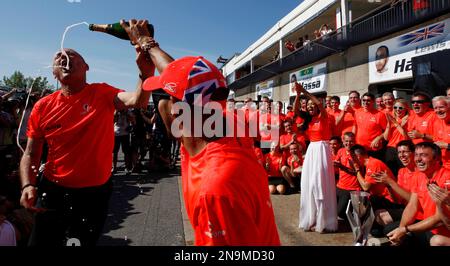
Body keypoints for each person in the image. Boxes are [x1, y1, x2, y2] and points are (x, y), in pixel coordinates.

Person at [19, 19, 154, 246]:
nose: (64, 58)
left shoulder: (102, 93)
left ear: (86, 67)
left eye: (72, 55)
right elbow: (31, 153)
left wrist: (145, 74)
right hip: (52, 189)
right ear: (53, 73)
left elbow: (137, 101)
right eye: (59, 58)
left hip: (94, 193)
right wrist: (28, 184)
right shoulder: (42, 106)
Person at [139, 30, 280, 246]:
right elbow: (184, 78)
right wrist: (147, 44)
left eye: (162, 97)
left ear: (177, 112)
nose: (159, 104)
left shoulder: (214, 191)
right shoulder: (231, 125)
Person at [293, 82, 337, 233]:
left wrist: (304, 90)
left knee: (320, 185)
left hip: (322, 151)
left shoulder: (325, 116)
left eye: (313, 105)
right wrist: (298, 95)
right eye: (309, 105)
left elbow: (318, 101)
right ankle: (311, 218)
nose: (311, 106)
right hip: (312, 151)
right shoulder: (308, 120)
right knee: (308, 185)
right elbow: (295, 110)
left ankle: (323, 220)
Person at [387, 142, 450, 246]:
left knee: (436, 241)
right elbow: (412, 206)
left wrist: (405, 229)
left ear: (437, 159)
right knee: (391, 232)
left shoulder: (447, 178)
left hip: (443, 234)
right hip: (429, 229)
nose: (418, 159)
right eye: (416, 155)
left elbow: (440, 219)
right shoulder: (419, 175)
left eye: (424, 155)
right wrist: (401, 230)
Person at [333, 132, 361, 220]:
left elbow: (357, 172)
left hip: (351, 188)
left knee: (339, 213)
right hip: (339, 186)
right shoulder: (341, 151)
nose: (348, 143)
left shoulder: (357, 153)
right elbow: (336, 164)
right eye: (346, 141)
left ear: (355, 141)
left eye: (351, 141)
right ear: (342, 140)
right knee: (332, 210)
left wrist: (341, 166)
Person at [382, 98, 410, 176]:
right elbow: (386, 138)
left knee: (403, 172)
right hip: (391, 148)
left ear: (406, 108)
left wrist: (395, 123)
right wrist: (388, 123)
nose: (397, 110)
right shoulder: (393, 119)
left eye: (400, 108)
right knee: (392, 173)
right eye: (395, 107)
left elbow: (406, 136)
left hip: (403, 148)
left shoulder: (408, 119)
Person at [428, 96, 450, 169]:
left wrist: (447, 146)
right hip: (443, 167)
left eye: (441, 107)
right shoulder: (437, 123)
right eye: (435, 108)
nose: (438, 110)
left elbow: (443, 145)